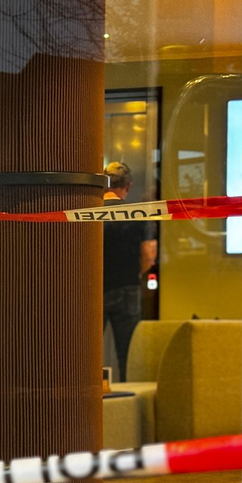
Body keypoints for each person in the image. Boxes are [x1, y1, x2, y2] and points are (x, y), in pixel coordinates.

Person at [102, 161, 158, 379]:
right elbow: (149, 254)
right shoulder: (137, 214)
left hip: (92, 289)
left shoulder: (88, 213)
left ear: (104, 185)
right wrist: (136, 273)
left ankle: (85, 393)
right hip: (128, 288)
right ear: (128, 186)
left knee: (86, 348)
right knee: (128, 351)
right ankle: (128, 391)